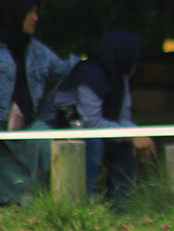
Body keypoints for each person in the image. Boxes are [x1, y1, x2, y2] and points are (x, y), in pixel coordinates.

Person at [52, 30, 156, 204]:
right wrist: (131, 135)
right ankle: (87, 205)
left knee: (125, 147)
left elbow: (122, 118)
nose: (136, 63)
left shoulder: (120, 78)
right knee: (95, 143)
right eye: (135, 57)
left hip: (96, 129)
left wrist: (140, 135)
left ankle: (120, 209)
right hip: (65, 131)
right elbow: (92, 122)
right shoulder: (89, 75)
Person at [0, 0, 77, 204]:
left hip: (29, 125)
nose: (36, 18)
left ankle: (62, 208)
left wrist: (92, 66)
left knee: (58, 148)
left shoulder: (36, 50)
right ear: (13, 13)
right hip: (2, 127)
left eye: (36, 12)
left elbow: (64, 70)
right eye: (30, 12)